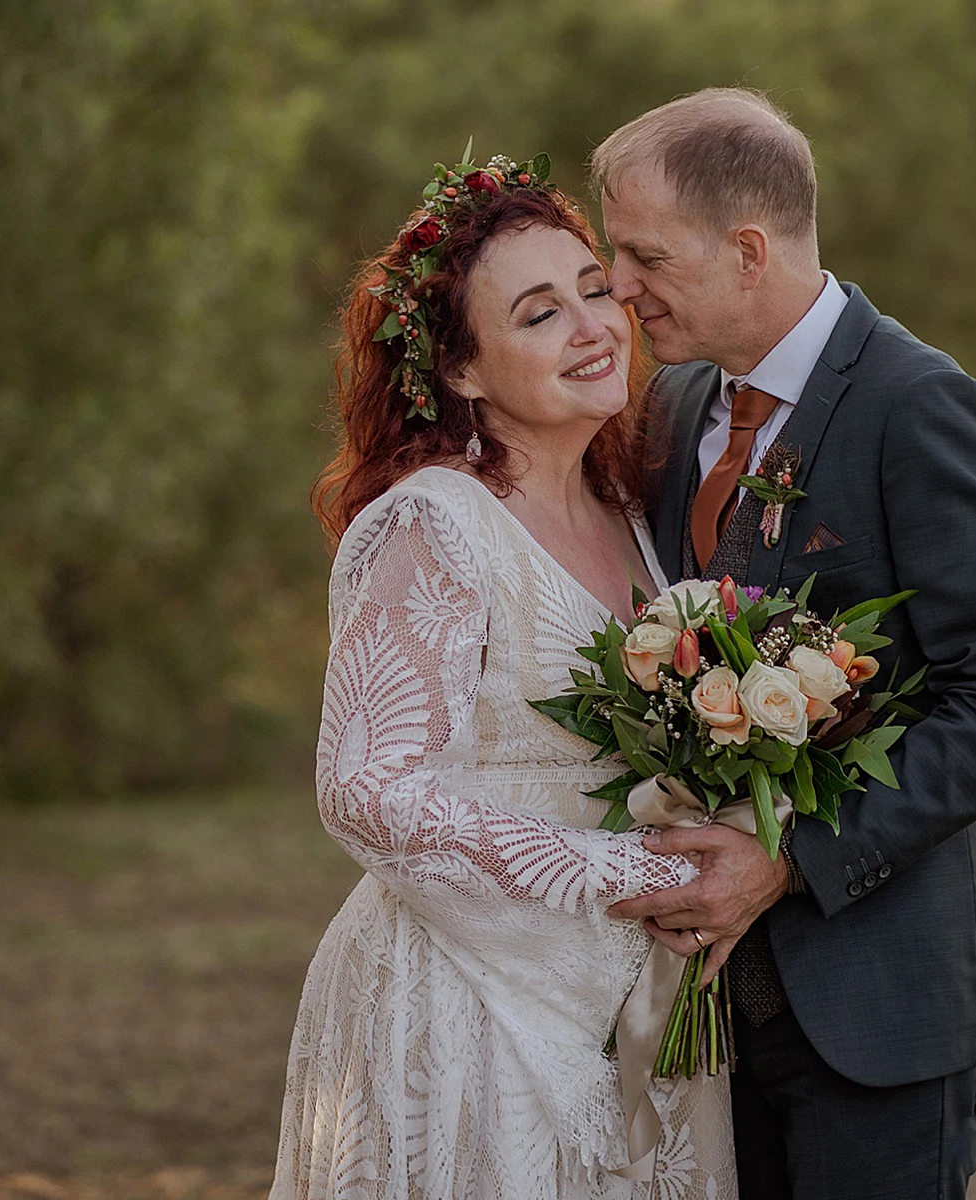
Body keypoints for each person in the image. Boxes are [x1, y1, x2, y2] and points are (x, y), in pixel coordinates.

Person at [595, 89, 976, 1200]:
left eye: (642, 255)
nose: (618, 285)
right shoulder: (672, 408)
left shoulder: (920, 406)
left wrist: (791, 855)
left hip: (880, 1015)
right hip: (703, 1030)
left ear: (748, 249)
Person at [268, 158, 737, 1199]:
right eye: (538, 314)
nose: (593, 325)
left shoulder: (630, 516)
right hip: (467, 1011)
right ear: (464, 373)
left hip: (623, 1002)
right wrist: (640, 879)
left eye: (592, 288)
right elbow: (366, 787)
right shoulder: (435, 521)